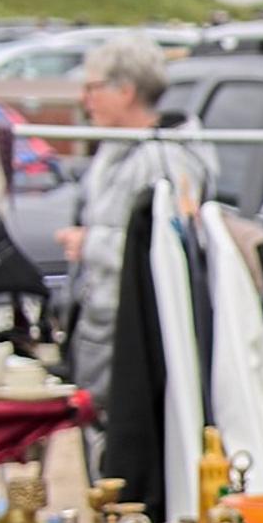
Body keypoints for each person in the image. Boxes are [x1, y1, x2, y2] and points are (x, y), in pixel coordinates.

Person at [55, 35, 215, 416]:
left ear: (125, 91)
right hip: (103, 330)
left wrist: (90, 244)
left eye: (92, 88)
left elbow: (173, 244)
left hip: (136, 334)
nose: (85, 99)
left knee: (123, 444)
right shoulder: (117, 147)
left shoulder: (164, 158)